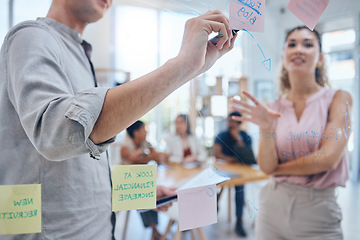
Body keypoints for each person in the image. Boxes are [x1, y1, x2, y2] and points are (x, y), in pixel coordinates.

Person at [0, 0, 237, 238]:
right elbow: (57, 134)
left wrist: (136, 191)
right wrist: (182, 66)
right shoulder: (30, 37)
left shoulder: (80, 55)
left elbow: (79, 168)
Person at [232, 26, 352, 240]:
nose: (299, 49)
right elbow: (266, 166)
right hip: (271, 209)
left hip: (318, 212)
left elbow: (328, 159)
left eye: (308, 44)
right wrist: (266, 128)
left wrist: (278, 169)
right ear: (283, 57)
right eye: (292, 44)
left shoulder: (339, 99)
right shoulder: (274, 108)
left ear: (320, 58)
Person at [120, 120, 168, 240]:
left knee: (149, 190)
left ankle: (154, 230)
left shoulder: (145, 143)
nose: (146, 132)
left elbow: (158, 156)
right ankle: (154, 230)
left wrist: (146, 156)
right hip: (125, 184)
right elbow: (133, 158)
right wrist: (149, 157)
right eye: (143, 129)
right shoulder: (124, 146)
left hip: (140, 181)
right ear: (135, 132)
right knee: (146, 193)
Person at [213, 111, 252, 237]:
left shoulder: (245, 136)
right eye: (228, 120)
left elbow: (248, 156)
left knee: (240, 188)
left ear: (239, 122)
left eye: (233, 121)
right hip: (222, 170)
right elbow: (216, 153)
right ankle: (214, 207)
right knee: (212, 186)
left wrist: (238, 138)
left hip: (238, 171)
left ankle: (239, 221)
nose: (229, 123)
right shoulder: (222, 135)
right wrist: (227, 158)